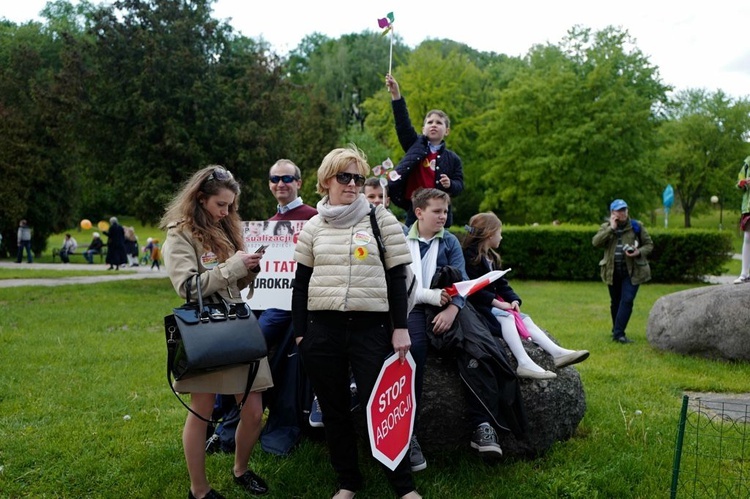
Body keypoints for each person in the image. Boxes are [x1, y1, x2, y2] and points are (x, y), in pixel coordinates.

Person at [292, 146, 421, 499]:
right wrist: (302, 334)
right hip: (323, 331)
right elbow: (301, 282)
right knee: (333, 411)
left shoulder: (382, 220)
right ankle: (348, 481)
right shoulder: (313, 227)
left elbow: (398, 278)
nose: (352, 184)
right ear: (326, 181)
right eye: (344, 177)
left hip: (371, 329)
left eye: (358, 178)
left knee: (382, 409)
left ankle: (403, 486)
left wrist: (399, 327)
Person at [160, 165, 273, 499]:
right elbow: (188, 287)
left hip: (237, 326)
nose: (227, 212)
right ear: (200, 198)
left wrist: (248, 270)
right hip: (206, 332)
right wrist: (234, 267)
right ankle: (199, 490)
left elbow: (230, 281)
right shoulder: (179, 233)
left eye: (231, 206)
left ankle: (241, 468)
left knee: (253, 410)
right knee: (203, 410)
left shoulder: (226, 227)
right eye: (221, 204)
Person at [462, 212, 590, 379]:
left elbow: (502, 284)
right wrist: (498, 304)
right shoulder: (470, 257)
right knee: (507, 318)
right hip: (478, 307)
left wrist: (513, 299)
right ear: (489, 233)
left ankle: (557, 353)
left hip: (493, 305)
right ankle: (523, 362)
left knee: (524, 319)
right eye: (499, 233)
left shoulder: (492, 257)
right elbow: (472, 289)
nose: (501, 237)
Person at [385, 73, 464, 227]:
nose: (434, 124)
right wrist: (396, 95)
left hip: (439, 211)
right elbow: (402, 124)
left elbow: (459, 186)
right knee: (410, 245)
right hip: (414, 209)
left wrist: (450, 185)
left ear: (447, 131)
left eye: (439, 123)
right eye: (430, 122)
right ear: (423, 129)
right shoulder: (414, 145)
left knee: (440, 248)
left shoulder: (453, 159)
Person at [592, 199, 653, 344]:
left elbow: (649, 244)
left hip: (633, 272)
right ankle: (616, 329)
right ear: (613, 213)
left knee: (627, 300)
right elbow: (596, 242)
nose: (623, 213)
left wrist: (638, 252)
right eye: (619, 210)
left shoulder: (636, 226)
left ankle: (619, 334)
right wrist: (611, 229)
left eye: (624, 210)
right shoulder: (606, 227)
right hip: (612, 271)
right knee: (615, 302)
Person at [734, 156, 750, 284]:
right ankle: (744, 273)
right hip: (748, 207)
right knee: (747, 238)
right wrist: (742, 183)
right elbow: (739, 182)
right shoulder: (747, 163)